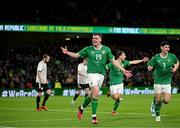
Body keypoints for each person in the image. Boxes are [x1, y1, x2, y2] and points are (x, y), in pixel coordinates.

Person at [61, 33, 132, 124]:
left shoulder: (106, 49)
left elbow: (114, 61)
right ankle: (94, 117)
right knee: (96, 91)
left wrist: (123, 70)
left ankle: (81, 108)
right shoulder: (88, 49)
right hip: (91, 74)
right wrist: (67, 52)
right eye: (93, 38)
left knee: (91, 96)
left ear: (100, 40)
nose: (94, 40)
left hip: (101, 75)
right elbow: (77, 55)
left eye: (96, 38)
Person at [106, 51, 149, 116]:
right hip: (113, 83)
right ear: (120, 56)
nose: (125, 56)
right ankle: (110, 91)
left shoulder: (124, 62)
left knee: (118, 99)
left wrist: (142, 60)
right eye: (124, 55)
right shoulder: (113, 63)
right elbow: (105, 67)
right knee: (115, 97)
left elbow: (133, 62)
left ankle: (113, 111)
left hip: (120, 83)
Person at [147, 41, 179, 122]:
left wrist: (175, 68)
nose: (167, 49)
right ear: (161, 47)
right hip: (158, 82)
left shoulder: (172, 56)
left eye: (168, 47)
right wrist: (150, 68)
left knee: (166, 101)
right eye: (165, 47)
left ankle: (155, 102)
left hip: (167, 82)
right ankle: (157, 115)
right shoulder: (156, 57)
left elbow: (177, 62)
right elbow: (149, 66)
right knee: (158, 100)